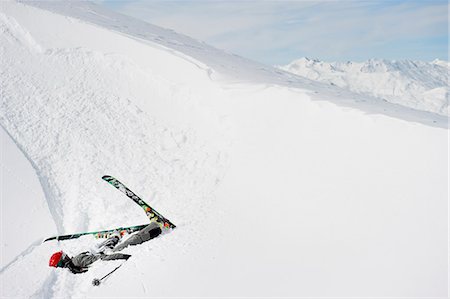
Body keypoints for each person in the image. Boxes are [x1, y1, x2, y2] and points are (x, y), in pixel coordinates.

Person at [49, 222, 162, 274]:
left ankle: (156, 228)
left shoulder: (75, 264)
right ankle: (155, 227)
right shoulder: (75, 262)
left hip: (107, 253)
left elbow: (98, 259)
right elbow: (99, 258)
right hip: (108, 253)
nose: (67, 255)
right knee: (131, 241)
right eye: (64, 256)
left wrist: (118, 253)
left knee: (129, 242)